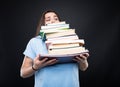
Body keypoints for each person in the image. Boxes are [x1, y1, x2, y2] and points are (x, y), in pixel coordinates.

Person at [20, 9, 89, 87]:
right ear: (43, 24)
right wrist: (35, 67)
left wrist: (83, 61)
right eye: (48, 19)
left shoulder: (73, 39)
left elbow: (84, 68)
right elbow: (23, 73)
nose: (53, 21)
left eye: (56, 19)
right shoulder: (34, 42)